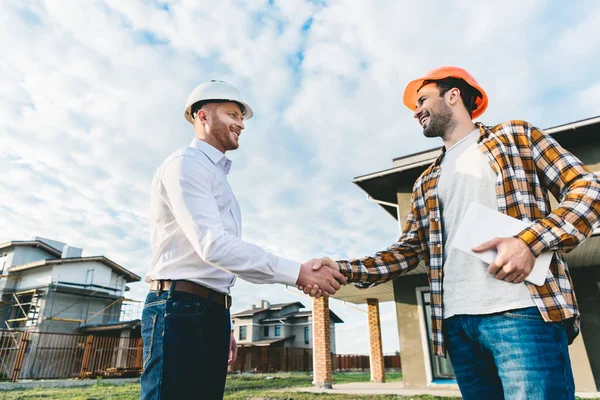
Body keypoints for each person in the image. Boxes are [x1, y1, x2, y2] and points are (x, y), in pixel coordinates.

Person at [305, 66, 600, 399]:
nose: (415, 111)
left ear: (453, 95)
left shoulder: (516, 136)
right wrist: (343, 269)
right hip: (458, 323)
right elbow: (409, 250)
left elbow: (588, 187)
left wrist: (529, 243)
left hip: (522, 312)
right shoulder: (426, 181)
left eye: (422, 100)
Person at [141, 80, 347, 400]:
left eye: (242, 117)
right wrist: (298, 273)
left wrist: (221, 319)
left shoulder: (218, 177)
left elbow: (221, 260)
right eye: (232, 114)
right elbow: (213, 244)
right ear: (202, 116)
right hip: (178, 308)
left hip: (207, 309)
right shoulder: (186, 165)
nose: (240, 124)